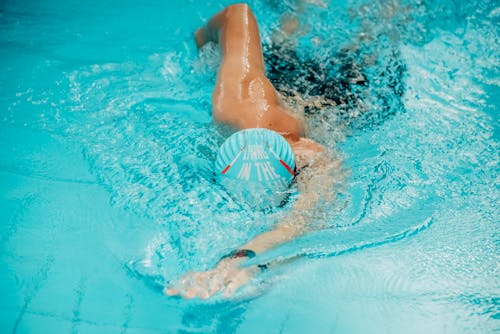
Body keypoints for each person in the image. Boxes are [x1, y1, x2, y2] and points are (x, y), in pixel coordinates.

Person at [165, 3, 339, 299]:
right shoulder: (237, 105)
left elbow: (300, 225)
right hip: (282, 88)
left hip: (339, 105)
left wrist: (206, 47)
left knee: (369, 44)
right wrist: (205, 40)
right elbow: (297, 226)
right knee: (283, 44)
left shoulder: (315, 157)